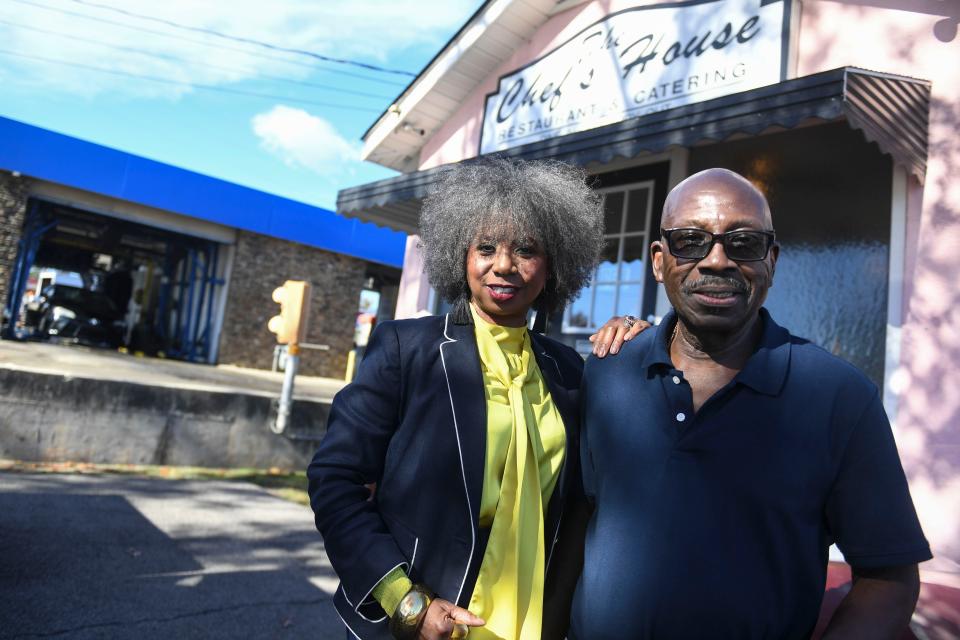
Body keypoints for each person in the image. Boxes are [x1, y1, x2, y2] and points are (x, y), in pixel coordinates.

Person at [571, 168, 932, 640]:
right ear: (658, 261)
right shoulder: (607, 371)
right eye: (690, 241)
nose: (717, 260)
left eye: (742, 243)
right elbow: (578, 520)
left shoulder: (838, 396)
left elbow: (889, 578)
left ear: (772, 260)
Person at [308, 157, 614, 640]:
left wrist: (639, 342)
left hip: (533, 623)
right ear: (461, 254)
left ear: (553, 265)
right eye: (486, 248)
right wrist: (405, 601)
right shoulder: (405, 350)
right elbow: (335, 481)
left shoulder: (570, 372)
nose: (504, 266)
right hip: (422, 622)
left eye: (527, 250)